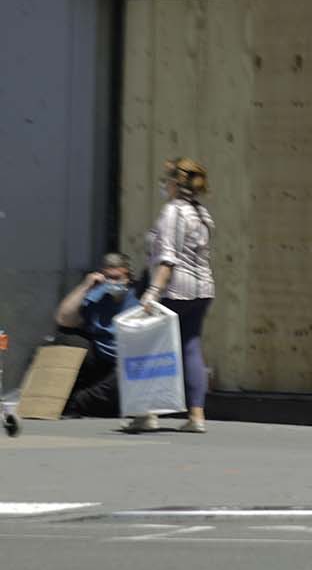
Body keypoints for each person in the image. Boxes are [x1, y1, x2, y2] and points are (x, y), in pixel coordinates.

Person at [133, 159, 216, 434]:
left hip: (174, 289)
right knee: (190, 348)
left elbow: (168, 259)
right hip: (202, 290)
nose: (162, 185)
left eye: (165, 180)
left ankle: (148, 413)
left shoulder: (172, 213)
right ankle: (197, 415)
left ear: (173, 184)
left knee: (152, 348)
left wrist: (152, 292)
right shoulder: (201, 213)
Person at [51, 253, 138, 417]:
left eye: (116, 277)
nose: (112, 283)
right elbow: (63, 319)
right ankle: (69, 399)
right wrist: (85, 286)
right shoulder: (96, 296)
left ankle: (77, 403)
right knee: (66, 339)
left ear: (128, 276)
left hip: (125, 359)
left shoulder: (138, 297)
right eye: (107, 278)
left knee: (123, 377)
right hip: (100, 357)